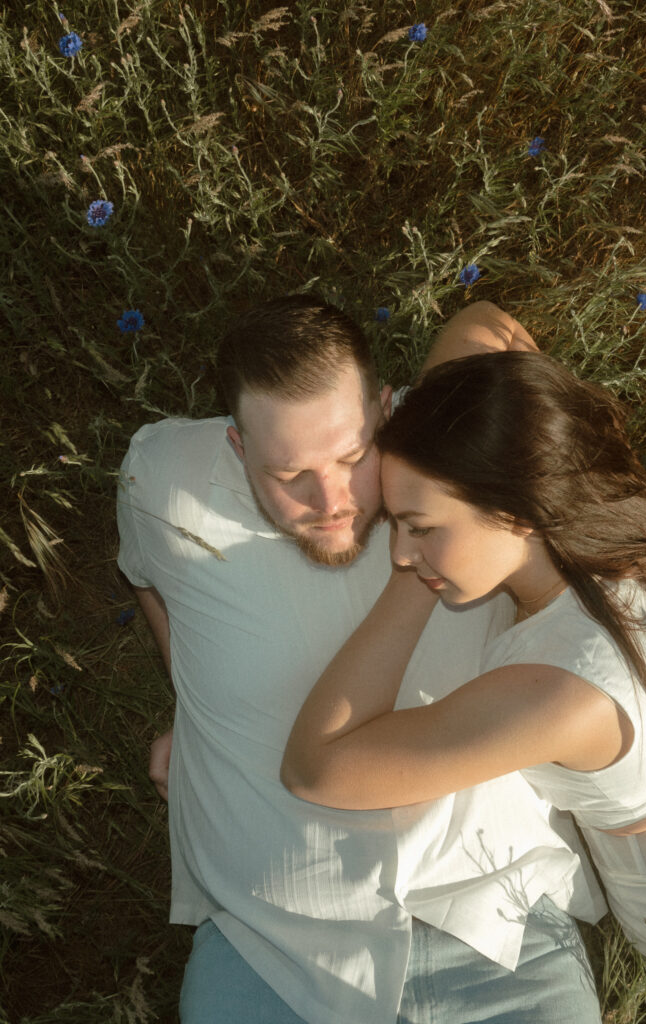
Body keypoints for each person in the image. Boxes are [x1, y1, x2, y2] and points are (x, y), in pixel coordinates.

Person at [282, 350, 646, 1024]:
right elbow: (476, 327)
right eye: (397, 527)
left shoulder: (557, 693)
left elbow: (317, 767)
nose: (400, 550)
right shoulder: (604, 544)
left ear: (518, 508)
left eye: (420, 528)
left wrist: (409, 584)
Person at [117, 296, 607, 1024]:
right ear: (237, 445)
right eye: (290, 476)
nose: (331, 501)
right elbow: (155, 586)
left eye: (352, 458)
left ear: (386, 410)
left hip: (495, 920)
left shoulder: (455, 446)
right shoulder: (161, 476)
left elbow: (485, 320)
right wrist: (196, 704)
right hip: (270, 946)